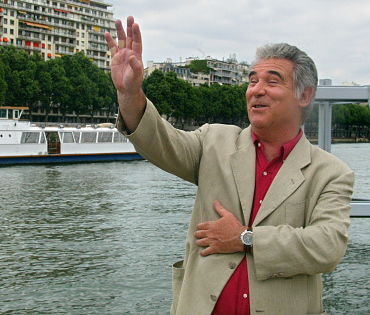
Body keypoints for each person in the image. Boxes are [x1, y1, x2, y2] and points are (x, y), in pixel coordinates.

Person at [104, 16, 354, 315]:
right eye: (252, 81)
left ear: (305, 95)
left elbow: (327, 246)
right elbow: (160, 142)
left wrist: (245, 239)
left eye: (271, 82)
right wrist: (130, 93)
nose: (256, 90)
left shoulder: (331, 173)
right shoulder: (214, 142)